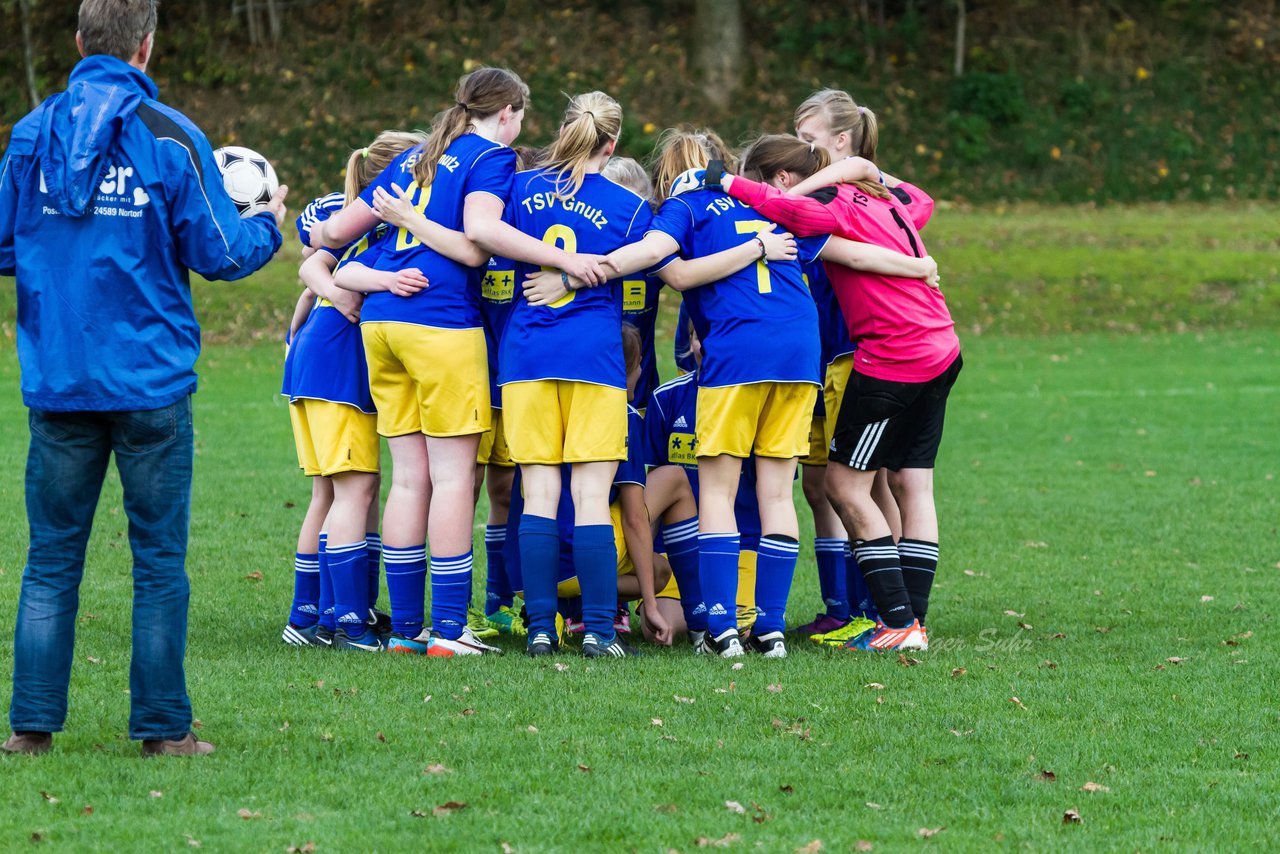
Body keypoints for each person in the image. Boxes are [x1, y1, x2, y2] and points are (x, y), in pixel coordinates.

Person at [0, 0, 285, 756]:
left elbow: (4, 242)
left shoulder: (32, 135)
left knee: (52, 558)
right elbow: (224, 251)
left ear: (79, 42)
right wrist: (270, 222)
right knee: (158, 561)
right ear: (147, 48)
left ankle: (30, 731)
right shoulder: (171, 137)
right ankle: (163, 733)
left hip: (60, 379)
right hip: (151, 385)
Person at [717, 138, 961, 653]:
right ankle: (911, 623)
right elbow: (922, 201)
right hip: (941, 345)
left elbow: (790, 213)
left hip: (895, 359)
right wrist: (877, 176)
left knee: (846, 488)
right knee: (912, 484)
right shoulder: (885, 201)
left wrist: (722, 182)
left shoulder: (824, 207)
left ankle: (899, 624)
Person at [283, 132, 424, 652]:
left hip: (321, 365)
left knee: (336, 493)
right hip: (336, 368)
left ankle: (313, 615)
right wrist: (342, 293)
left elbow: (311, 264)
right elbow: (313, 264)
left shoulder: (368, 225)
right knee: (354, 492)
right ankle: (345, 624)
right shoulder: (380, 228)